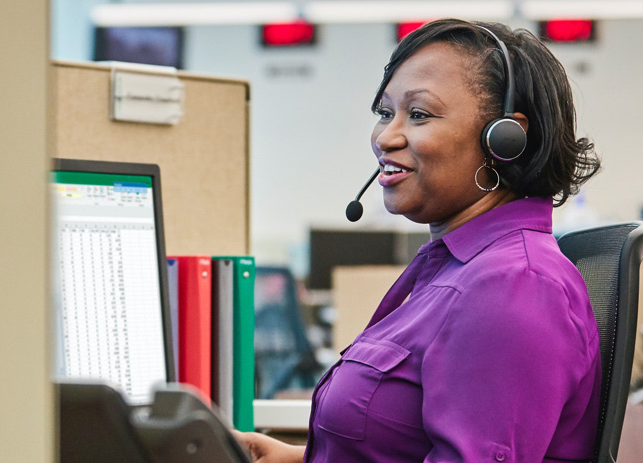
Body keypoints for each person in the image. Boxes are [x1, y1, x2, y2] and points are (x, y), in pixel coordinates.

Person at [238, 18, 602, 462]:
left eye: (419, 114)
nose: (385, 138)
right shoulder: (457, 269)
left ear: (504, 139)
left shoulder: (513, 286)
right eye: (386, 113)